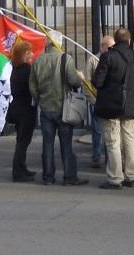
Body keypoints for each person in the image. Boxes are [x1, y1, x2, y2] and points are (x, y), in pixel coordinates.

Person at [93, 27, 134, 190]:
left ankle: (115, 177)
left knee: (113, 141)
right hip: (132, 103)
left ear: (115, 40)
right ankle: (131, 175)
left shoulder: (108, 56)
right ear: (129, 40)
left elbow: (98, 82)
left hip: (112, 104)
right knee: (130, 139)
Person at [29, 42, 89, 186]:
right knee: (66, 144)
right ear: (59, 43)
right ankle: (69, 176)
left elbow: (32, 86)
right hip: (63, 107)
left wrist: (40, 99)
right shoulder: (65, 58)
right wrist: (80, 78)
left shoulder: (38, 60)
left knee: (47, 144)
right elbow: (73, 81)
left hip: (46, 107)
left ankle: (48, 177)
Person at [6, 40, 37, 182]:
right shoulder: (27, 69)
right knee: (23, 142)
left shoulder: (13, 68)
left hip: (15, 108)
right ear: (22, 54)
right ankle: (18, 172)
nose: (31, 54)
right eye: (28, 52)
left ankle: (22, 167)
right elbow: (32, 89)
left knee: (21, 140)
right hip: (25, 109)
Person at [87, 35, 114, 168]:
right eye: (109, 47)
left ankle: (109, 157)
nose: (111, 49)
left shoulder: (113, 59)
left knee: (110, 132)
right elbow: (87, 81)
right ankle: (96, 157)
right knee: (97, 131)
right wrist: (92, 99)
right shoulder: (93, 60)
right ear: (103, 47)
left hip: (109, 101)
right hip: (96, 100)